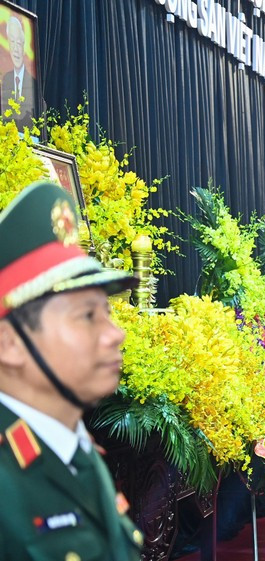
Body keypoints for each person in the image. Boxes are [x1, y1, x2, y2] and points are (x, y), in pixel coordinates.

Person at [0, 182, 142, 560]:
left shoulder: (73, 448)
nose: (116, 334)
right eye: (87, 316)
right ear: (9, 343)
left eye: (107, 312)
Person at [1, 16, 36, 130]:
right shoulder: (5, 79)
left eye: (19, 43)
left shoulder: (33, 84)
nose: (15, 49)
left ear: (24, 46)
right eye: (12, 42)